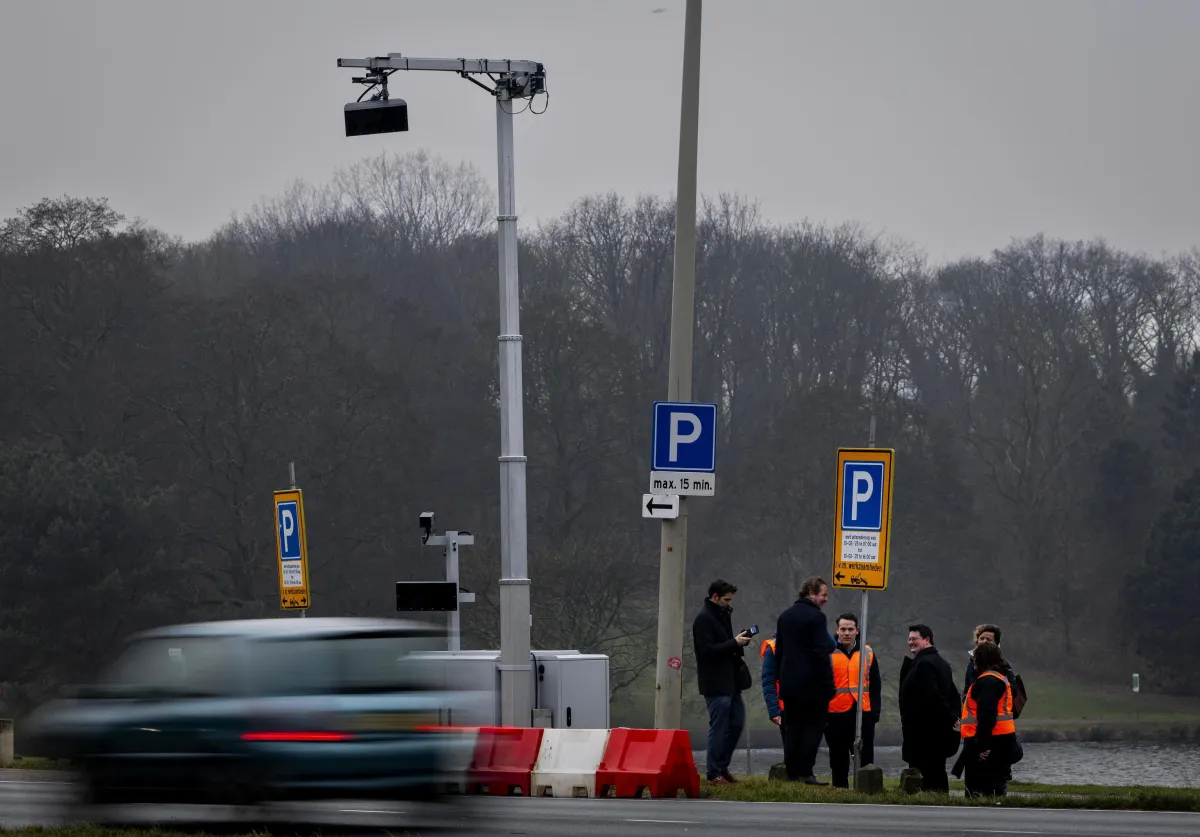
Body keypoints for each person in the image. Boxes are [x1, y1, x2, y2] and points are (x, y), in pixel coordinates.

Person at [774, 576, 835, 785]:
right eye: (823, 595)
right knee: (813, 728)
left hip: (789, 684)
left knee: (792, 729)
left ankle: (792, 773)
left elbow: (779, 651)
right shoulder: (816, 618)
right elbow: (821, 654)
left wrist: (779, 679)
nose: (826, 599)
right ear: (811, 592)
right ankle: (806, 773)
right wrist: (829, 685)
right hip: (812, 686)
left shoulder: (785, 616)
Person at [692, 578, 753, 785]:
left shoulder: (721, 615)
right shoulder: (704, 619)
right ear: (715, 597)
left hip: (731, 681)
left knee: (736, 723)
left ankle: (722, 767)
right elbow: (706, 652)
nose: (729, 603)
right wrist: (733, 642)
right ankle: (713, 773)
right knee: (718, 727)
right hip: (716, 683)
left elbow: (724, 645)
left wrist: (737, 642)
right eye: (726, 599)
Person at [897, 624, 961, 792]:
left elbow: (932, 697)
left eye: (914, 639)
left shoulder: (924, 664)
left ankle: (929, 804)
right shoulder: (942, 662)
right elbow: (952, 695)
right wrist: (953, 717)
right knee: (937, 771)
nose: (910, 642)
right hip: (938, 732)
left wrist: (948, 716)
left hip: (925, 733)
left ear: (927, 640)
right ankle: (939, 801)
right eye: (909, 639)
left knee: (927, 774)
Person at [824, 612, 881, 788]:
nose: (846, 633)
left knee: (866, 760)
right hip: (835, 715)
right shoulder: (827, 652)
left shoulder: (868, 652)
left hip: (862, 714)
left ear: (857, 630)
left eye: (850, 629)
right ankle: (840, 793)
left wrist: (874, 714)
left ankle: (867, 793)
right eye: (843, 629)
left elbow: (875, 685)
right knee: (838, 760)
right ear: (837, 630)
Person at [960, 641, 1023, 797]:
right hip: (1002, 738)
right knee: (995, 788)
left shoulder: (987, 681)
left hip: (992, 741)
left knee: (987, 790)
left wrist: (983, 745)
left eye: (975, 658)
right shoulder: (998, 678)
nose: (972, 662)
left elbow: (986, 715)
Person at [759, 632, 786, 746]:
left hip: (809, 706)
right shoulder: (773, 647)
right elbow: (768, 681)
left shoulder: (811, 640)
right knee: (793, 752)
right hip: (785, 708)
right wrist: (774, 711)